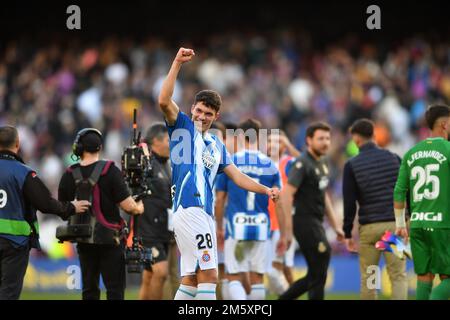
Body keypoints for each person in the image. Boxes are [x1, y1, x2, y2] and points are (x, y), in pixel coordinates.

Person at [158, 47, 280, 300]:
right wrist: (177, 63)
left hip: (202, 214)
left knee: (191, 279)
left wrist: (266, 190)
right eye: (199, 110)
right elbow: (163, 100)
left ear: (216, 116)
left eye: (208, 114)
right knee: (210, 275)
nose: (201, 116)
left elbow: (237, 177)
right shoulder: (182, 127)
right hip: (190, 209)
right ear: (192, 108)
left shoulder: (217, 145)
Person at [0, 125, 90, 300]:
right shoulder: (22, 172)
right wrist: (70, 208)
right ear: (17, 144)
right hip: (14, 243)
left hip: (13, 243)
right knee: (8, 293)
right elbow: (46, 203)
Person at [58, 128, 144, 300]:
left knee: (89, 290)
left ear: (79, 147)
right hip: (110, 241)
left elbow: (63, 210)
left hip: (83, 240)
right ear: (100, 147)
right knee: (115, 290)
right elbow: (129, 207)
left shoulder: (68, 174)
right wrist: (139, 207)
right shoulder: (110, 170)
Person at [215, 119, 287, 300]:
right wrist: (284, 234)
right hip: (261, 226)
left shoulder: (230, 163)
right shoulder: (271, 165)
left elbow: (220, 199)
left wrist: (219, 227)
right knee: (257, 278)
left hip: (235, 224)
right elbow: (278, 202)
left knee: (233, 276)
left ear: (240, 136)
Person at [343, 119, 407, 300]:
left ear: (356, 140)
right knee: (398, 276)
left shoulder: (351, 165)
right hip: (393, 227)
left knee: (370, 278)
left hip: (369, 229)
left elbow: (349, 204)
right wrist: (406, 220)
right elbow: (405, 191)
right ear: (374, 135)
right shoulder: (394, 158)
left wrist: (347, 233)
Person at [279, 122, 344, 300]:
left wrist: (335, 225)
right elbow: (286, 195)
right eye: (320, 138)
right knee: (319, 268)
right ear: (309, 140)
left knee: (316, 274)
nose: (325, 142)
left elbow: (324, 197)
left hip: (316, 222)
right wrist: (288, 230)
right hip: (304, 221)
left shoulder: (322, 162)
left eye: (328, 138)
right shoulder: (302, 164)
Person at [394, 104, 450, 300]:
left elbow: (399, 191)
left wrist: (401, 225)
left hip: (417, 225)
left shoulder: (410, 153)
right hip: (443, 225)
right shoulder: (448, 149)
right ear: (444, 124)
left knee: (424, 277)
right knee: (447, 277)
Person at [138, 123, 179, 300]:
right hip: (148, 230)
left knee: (149, 277)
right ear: (156, 141)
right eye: (168, 140)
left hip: (165, 229)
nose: (172, 144)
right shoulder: (145, 164)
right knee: (161, 273)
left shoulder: (167, 165)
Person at [266, 130, 299, 296]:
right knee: (282, 270)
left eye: (277, 141)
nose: (272, 144)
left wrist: (289, 144)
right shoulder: (263, 163)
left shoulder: (288, 162)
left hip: (283, 223)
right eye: (270, 141)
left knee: (282, 269)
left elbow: (307, 164)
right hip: (266, 223)